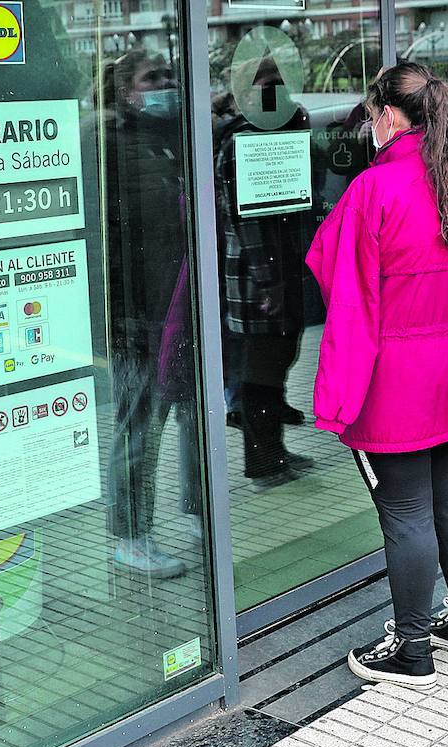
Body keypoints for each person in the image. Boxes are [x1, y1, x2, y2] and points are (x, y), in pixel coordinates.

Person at [307, 62, 448, 689]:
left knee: (404, 512)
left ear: (387, 117)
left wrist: (337, 398)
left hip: (394, 380)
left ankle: (411, 650)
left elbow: (342, 289)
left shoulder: (373, 192)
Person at [103, 51, 201, 579]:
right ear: (125, 92)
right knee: (139, 427)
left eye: (169, 76)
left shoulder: (175, 141)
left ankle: (198, 516)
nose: (166, 85)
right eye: (152, 79)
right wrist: (127, 320)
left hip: (181, 313)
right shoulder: (119, 149)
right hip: (141, 320)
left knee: (193, 419)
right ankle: (131, 536)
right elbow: (114, 249)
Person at [215, 55, 314, 487]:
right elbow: (248, 223)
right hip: (256, 277)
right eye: (266, 85)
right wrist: (269, 282)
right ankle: (262, 462)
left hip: (283, 269)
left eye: (281, 84)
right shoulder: (243, 140)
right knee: (260, 369)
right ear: (246, 92)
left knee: (279, 360)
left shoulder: (283, 130)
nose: (276, 92)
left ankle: (275, 451)